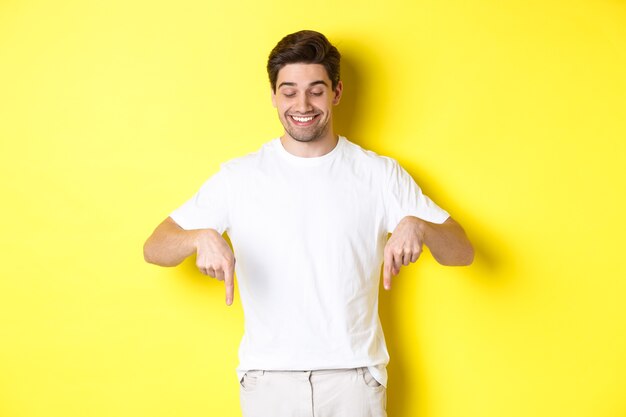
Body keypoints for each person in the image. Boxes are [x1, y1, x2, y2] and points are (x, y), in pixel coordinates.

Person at [144, 30, 474, 417]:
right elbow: (155, 247)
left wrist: (420, 225)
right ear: (273, 96)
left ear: (336, 92)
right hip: (268, 381)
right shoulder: (239, 177)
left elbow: (462, 252)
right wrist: (198, 238)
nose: (302, 104)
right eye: (289, 91)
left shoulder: (379, 174)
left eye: (316, 90)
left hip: (354, 379)